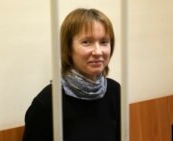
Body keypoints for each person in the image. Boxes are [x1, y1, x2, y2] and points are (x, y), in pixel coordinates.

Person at [22, 8, 121, 141]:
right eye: (86, 42)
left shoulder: (115, 91)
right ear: (68, 49)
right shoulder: (47, 103)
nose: (98, 52)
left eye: (104, 42)